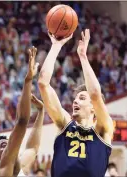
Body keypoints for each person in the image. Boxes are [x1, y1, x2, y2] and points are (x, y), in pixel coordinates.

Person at [38, 29, 114, 177]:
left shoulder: (103, 129)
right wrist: (55, 46)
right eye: (75, 98)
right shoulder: (65, 125)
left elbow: (95, 94)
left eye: (82, 98)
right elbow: (43, 83)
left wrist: (83, 56)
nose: (75, 101)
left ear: (93, 108)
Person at [0, 46, 44, 177]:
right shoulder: (1, 169)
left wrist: (41, 111)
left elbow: (32, 148)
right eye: (4, 146)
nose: (11, 146)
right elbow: (21, 122)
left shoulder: (17, 165)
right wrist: (28, 80)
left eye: (8, 143)